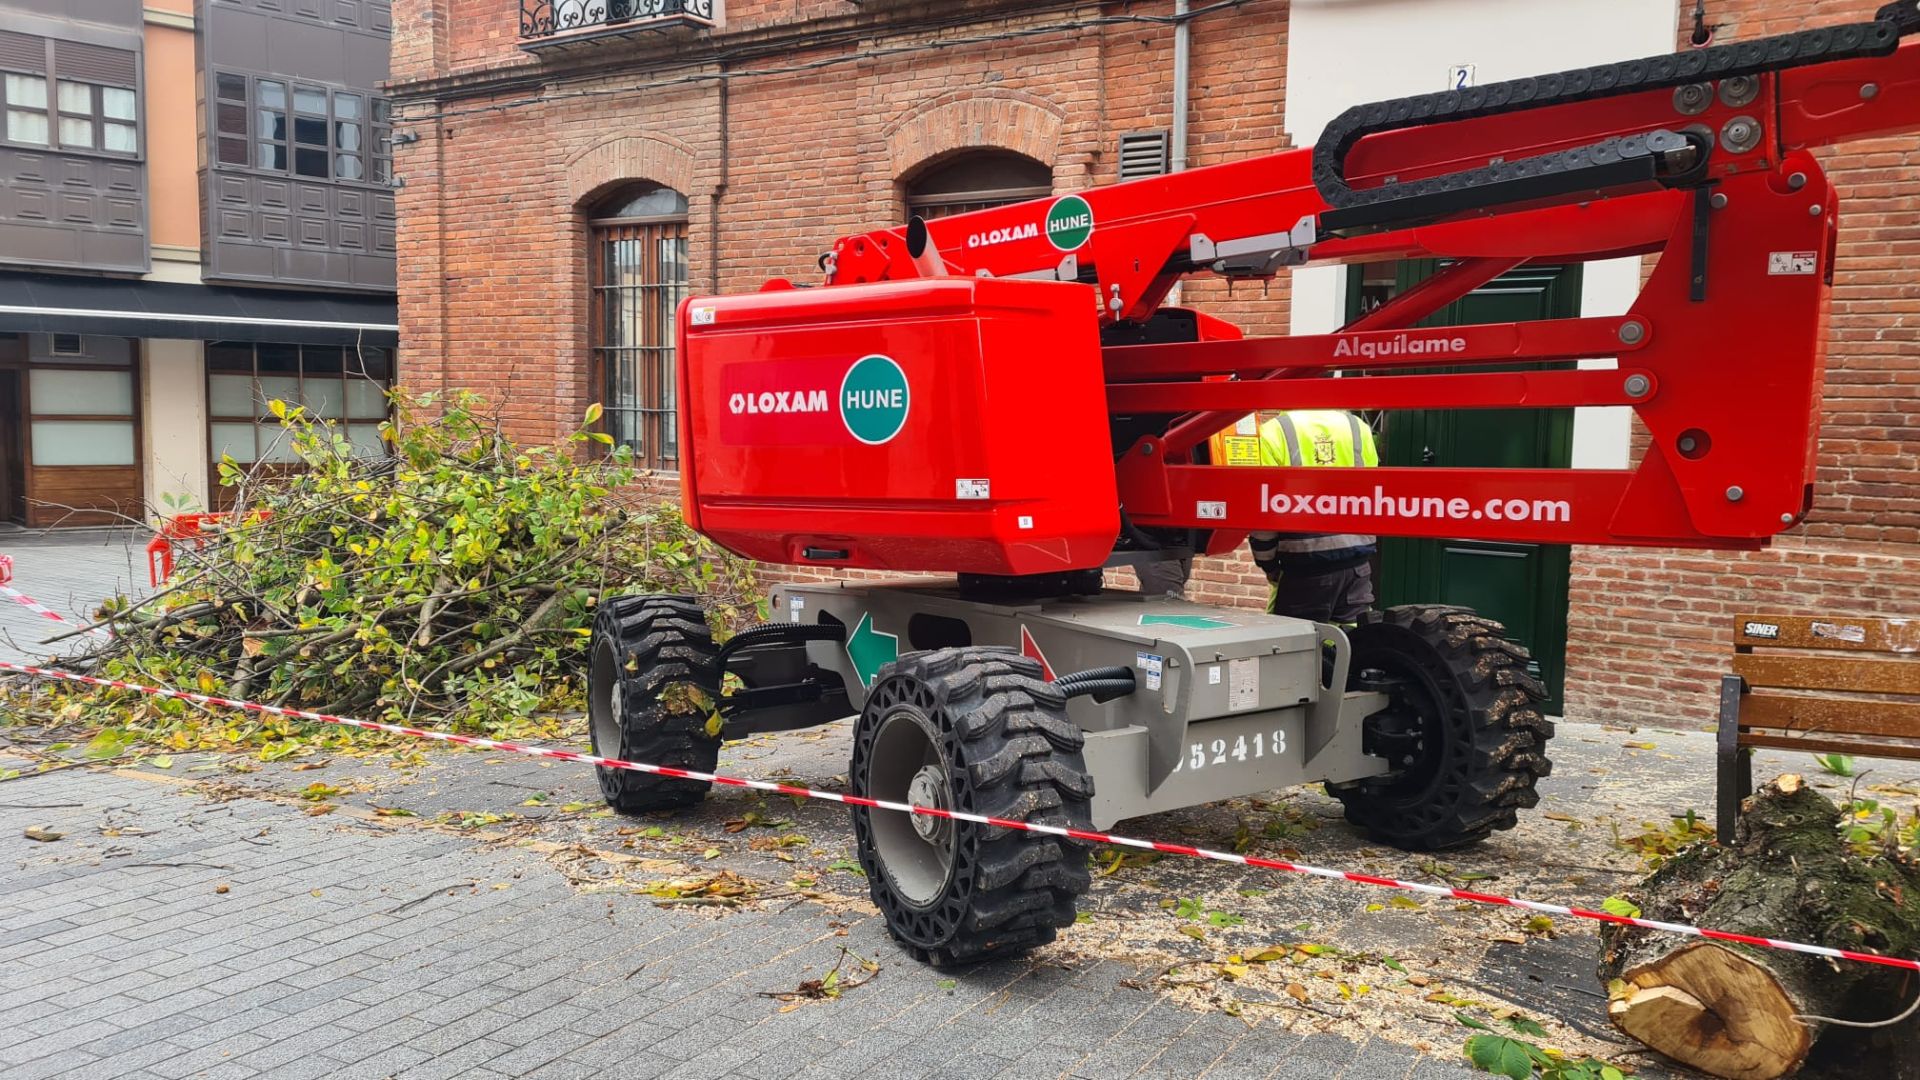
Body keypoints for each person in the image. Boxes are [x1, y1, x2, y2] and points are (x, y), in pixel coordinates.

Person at [1248, 409, 1380, 623]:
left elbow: (1263, 510)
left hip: (1305, 569)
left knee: (1293, 646)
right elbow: (1372, 489)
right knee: (1353, 644)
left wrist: (1269, 565)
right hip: (1357, 566)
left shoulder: (1274, 431)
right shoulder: (1357, 426)